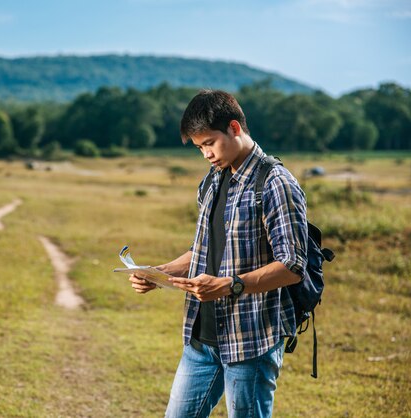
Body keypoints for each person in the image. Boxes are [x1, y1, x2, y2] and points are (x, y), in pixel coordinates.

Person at [129, 90, 308, 418]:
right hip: (200, 338)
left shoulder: (275, 183)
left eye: (210, 143)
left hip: (250, 341)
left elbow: (293, 265)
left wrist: (229, 285)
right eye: (200, 148)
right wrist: (160, 272)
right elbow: (203, 249)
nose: (206, 154)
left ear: (235, 128)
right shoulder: (211, 181)